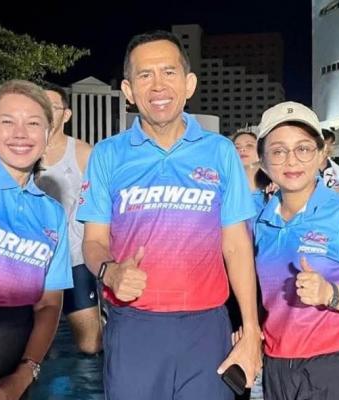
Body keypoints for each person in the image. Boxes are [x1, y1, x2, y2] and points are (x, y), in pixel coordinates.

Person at [77, 30, 262, 400]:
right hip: (134, 326)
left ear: (189, 83)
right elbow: (93, 241)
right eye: (145, 75)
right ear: (128, 90)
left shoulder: (220, 151)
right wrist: (111, 271)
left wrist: (251, 331)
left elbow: (236, 245)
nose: (158, 85)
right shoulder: (108, 155)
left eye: (169, 72)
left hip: (207, 326)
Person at [0, 80, 72, 400]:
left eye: (33, 123)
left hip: (15, 376)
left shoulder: (52, 214)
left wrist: (23, 376)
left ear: (47, 134)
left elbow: (49, 304)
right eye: (8, 121)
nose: (21, 133)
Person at [255, 101, 339, 399]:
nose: (292, 160)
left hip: (334, 364)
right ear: (263, 162)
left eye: (304, 148)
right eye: (278, 151)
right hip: (276, 366)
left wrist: (330, 293)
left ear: (321, 154)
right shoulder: (259, 221)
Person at [37, 83, 101, 355]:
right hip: (32, 261)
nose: (46, 113)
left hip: (74, 257)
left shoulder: (84, 153)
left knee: (90, 345)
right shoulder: (22, 151)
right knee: (30, 345)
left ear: (66, 114)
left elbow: (103, 205)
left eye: (52, 107)